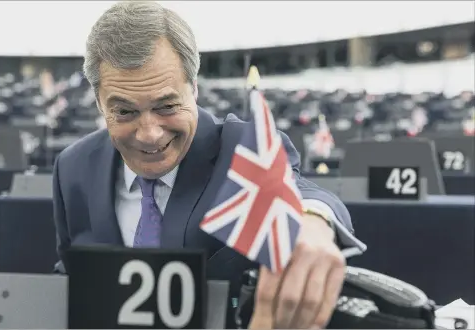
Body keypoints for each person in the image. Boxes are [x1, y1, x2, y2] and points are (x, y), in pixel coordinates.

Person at [52, 1, 366, 328]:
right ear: (99, 101)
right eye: (124, 111)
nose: (148, 134)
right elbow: (71, 272)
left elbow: (303, 195)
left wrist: (311, 223)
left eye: (167, 106)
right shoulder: (72, 168)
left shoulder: (245, 147)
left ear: (194, 89)